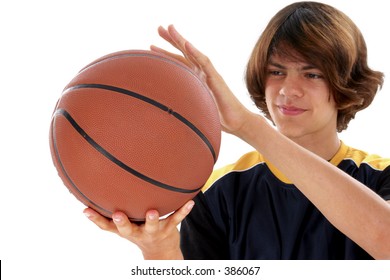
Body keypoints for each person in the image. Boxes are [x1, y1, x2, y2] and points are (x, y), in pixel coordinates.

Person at [83, 1, 390, 259]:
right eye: (276, 71)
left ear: (347, 83)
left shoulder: (381, 176)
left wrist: (246, 125)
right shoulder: (221, 191)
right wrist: (159, 250)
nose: (287, 90)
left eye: (312, 74)